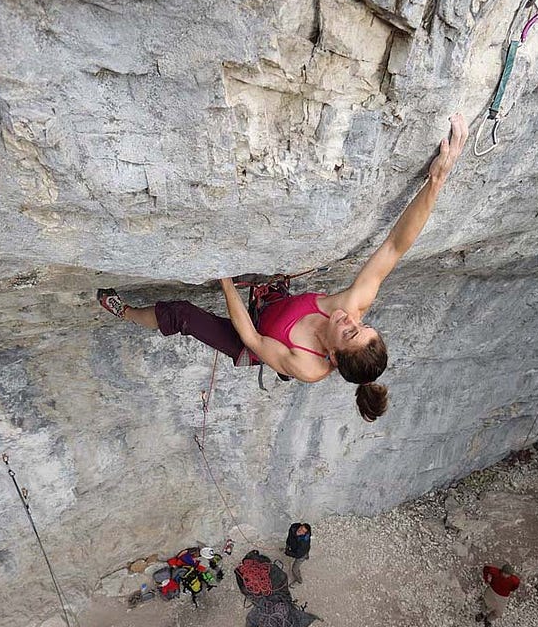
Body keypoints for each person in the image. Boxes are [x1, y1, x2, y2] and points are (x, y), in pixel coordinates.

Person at [97, 114, 469, 421]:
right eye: (363, 325)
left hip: (257, 340)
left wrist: (225, 279)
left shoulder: (308, 367)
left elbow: (253, 339)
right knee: (275, 292)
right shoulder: (351, 305)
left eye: (349, 333)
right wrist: (437, 180)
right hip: (275, 304)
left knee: (180, 315)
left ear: (334, 357)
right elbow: (394, 247)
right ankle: (267, 293)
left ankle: (124, 311)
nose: (349, 320)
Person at [475, 563, 520, 627]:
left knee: (499, 612)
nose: (506, 575)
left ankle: (488, 620)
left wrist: (508, 590)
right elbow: (486, 569)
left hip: (503, 597)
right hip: (492, 591)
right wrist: (486, 580)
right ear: (502, 571)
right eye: (504, 573)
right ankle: (482, 614)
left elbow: (515, 586)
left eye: (508, 574)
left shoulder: (514, 580)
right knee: (487, 604)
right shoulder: (496, 572)